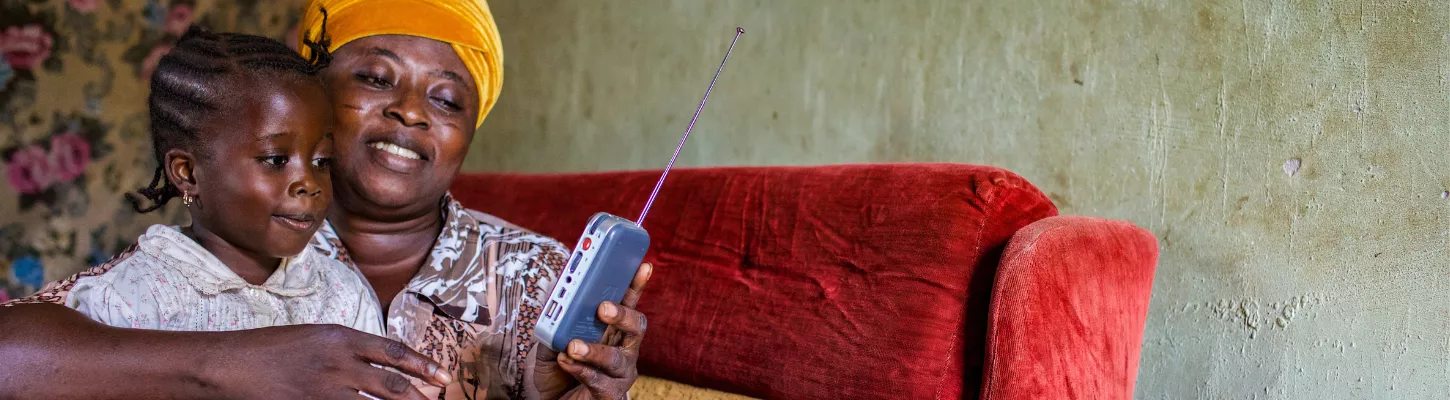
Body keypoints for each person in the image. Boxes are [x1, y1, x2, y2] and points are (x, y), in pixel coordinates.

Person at [0, 0, 650, 399]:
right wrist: (236, 367)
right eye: (373, 77)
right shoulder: (243, 243)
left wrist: (576, 395)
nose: (410, 112)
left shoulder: (539, 275)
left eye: (447, 99)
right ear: (314, 94)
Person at [60, 24, 384, 338]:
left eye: (321, 161)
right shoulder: (131, 301)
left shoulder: (343, 296)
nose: (308, 183)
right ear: (187, 173)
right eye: (275, 160)